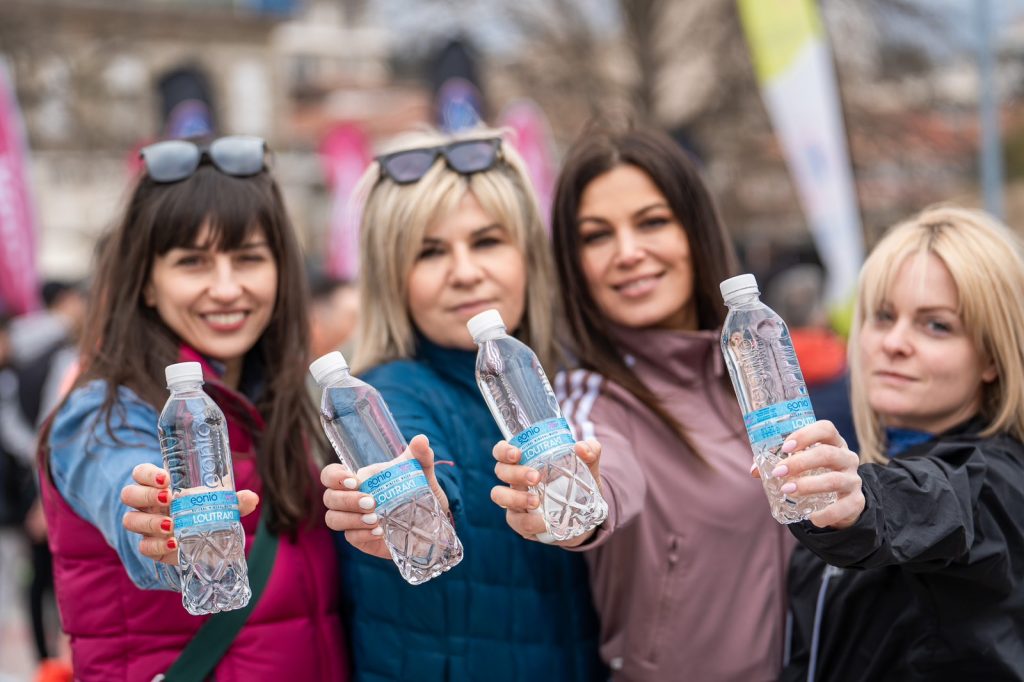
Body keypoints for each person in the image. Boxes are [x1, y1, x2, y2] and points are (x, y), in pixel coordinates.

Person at [39, 135, 349, 681]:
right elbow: (124, 488)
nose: (226, 289)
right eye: (192, 262)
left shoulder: (291, 401)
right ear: (147, 283)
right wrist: (157, 526)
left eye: (248, 258)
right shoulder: (101, 413)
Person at [490, 126, 793, 681]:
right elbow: (598, 475)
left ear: (695, 230)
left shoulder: (756, 365)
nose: (628, 253)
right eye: (596, 236)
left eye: (652, 222)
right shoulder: (593, 401)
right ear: (573, 263)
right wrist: (570, 503)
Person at [317, 129, 604, 681]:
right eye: (430, 252)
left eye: (487, 241)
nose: (466, 272)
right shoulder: (385, 393)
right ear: (391, 278)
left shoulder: (565, 375)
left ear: (529, 253)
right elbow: (421, 462)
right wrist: (418, 499)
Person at [774, 206, 1024, 681]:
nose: (894, 343)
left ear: (993, 357)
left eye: (936, 325)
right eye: (884, 316)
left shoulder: (999, 480)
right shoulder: (879, 457)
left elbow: (938, 498)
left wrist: (860, 504)